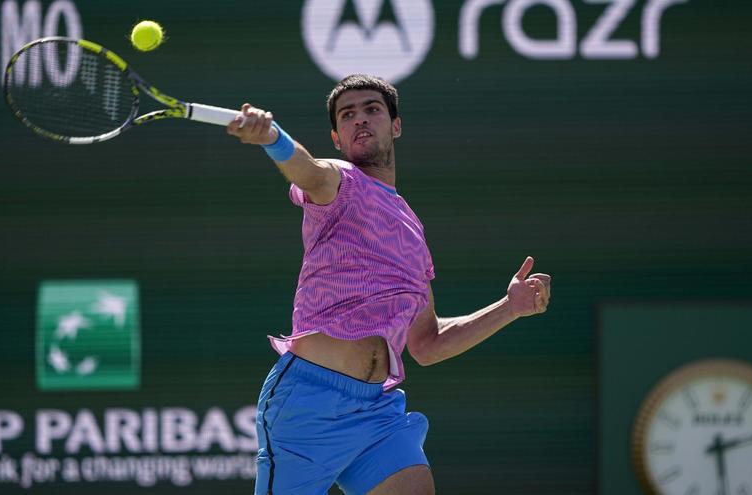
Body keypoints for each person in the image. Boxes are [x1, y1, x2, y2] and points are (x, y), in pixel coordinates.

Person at [227, 74, 551, 495]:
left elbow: (428, 343)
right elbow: (307, 170)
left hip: (375, 412)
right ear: (337, 137)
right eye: (348, 115)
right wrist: (272, 137)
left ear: (395, 125)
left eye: (372, 109)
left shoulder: (413, 232)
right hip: (309, 405)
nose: (360, 119)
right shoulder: (339, 180)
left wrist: (509, 308)